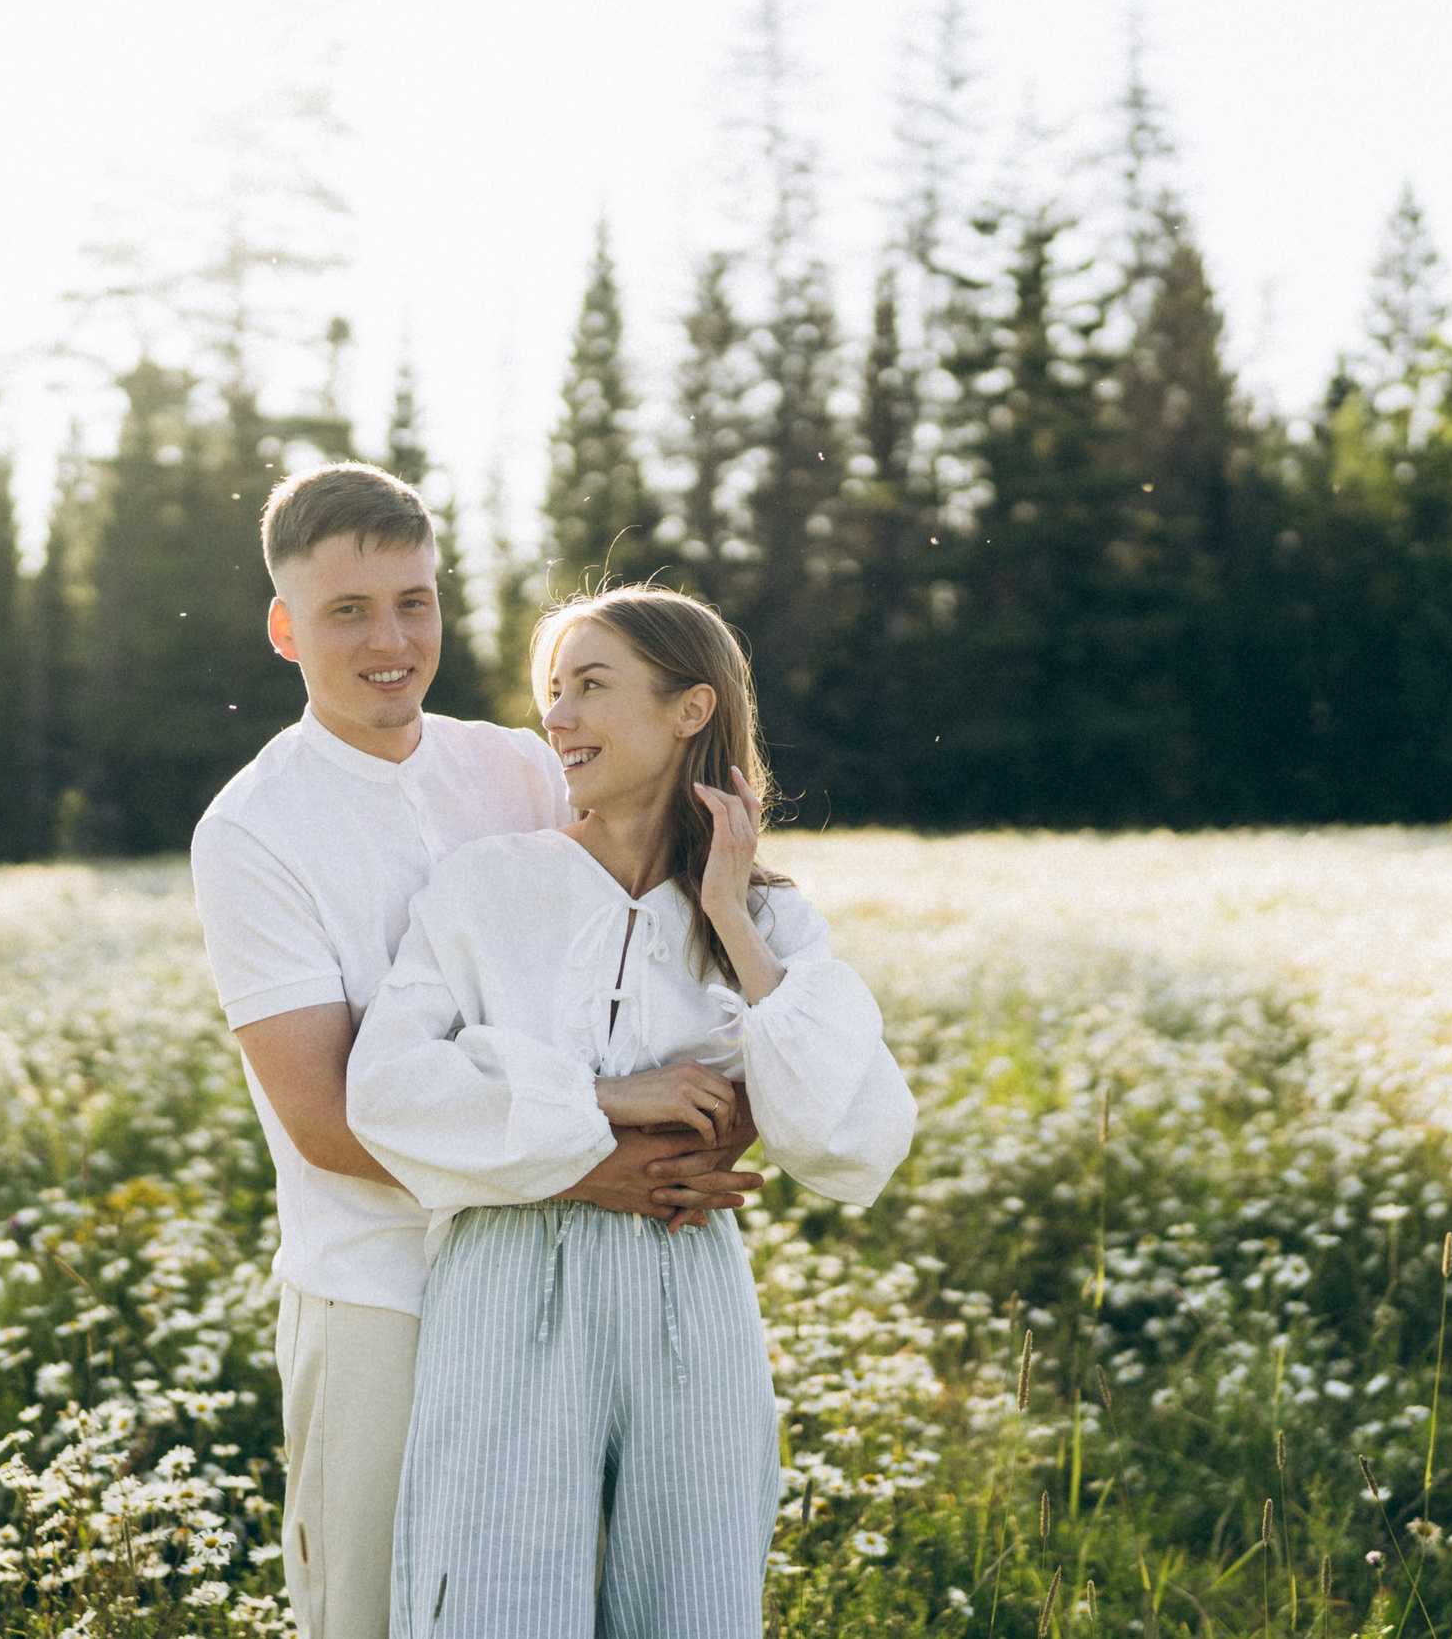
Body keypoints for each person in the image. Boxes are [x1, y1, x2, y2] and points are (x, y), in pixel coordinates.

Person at [189, 465, 766, 1639]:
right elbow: (324, 1117)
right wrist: (600, 1160)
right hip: (382, 1294)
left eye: (415, 600)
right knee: (370, 1615)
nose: (391, 639)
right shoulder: (252, 829)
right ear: (286, 627)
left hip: (560, 1287)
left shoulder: (517, 768)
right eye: (349, 610)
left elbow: (653, 958)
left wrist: (726, 1105)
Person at [347, 584, 917, 1639]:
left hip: (685, 1284)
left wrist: (733, 920)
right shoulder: (485, 885)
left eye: (590, 686)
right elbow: (385, 1090)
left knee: (691, 1603)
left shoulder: (772, 915)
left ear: (689, 708)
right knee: (492, 1603)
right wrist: (602, 1098)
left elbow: (852, 1137)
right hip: (507, 1281)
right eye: (550, 691)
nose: (556, 717)